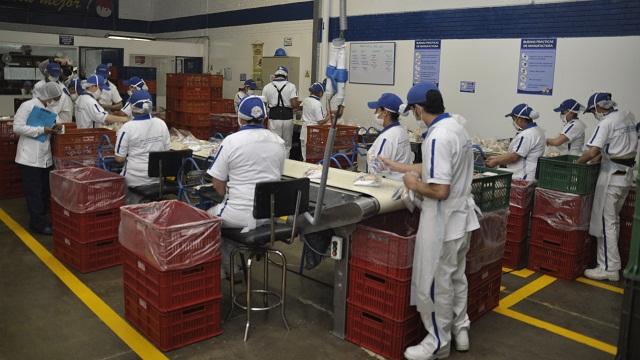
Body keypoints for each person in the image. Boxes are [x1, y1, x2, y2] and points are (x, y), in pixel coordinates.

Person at [381, 83, 479, 360]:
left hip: (443, 222)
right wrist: (402, 168)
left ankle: (437, 342)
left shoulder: (436, 137)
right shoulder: (456, 127)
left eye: (413, 109)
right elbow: (439, 166)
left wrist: (411, 182)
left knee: (436, 283)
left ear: (419, 108)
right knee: (456, 277)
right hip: (462, 220)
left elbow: (439, 189)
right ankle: (460, 329)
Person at [207, 95, 286, 275]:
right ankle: (235, 263)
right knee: (229, 225)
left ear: (240, 118)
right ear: (264, 117)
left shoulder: (231, 142)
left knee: (205, 220)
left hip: (238, 215)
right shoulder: (279, 143)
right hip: (269, 216)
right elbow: (276, 177)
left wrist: (229, 195)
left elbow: (217, 183)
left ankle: (226, 270)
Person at [577, 92, 637, 282]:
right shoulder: (627, 115)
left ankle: (608, 268)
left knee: (606, 224)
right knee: (613, 222)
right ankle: (611, 264)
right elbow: (614, 148)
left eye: (593, 110)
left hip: (611, 178)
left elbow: (593, 150)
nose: (594, 114)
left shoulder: (606, 123)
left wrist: (577, 164)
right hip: (625, 177)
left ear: (599, 107)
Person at [13, 82, 63, 235]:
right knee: (33, 192)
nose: (55, 101)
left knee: (44, 190)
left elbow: (60, 123)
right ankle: (37, 225)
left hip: (44, 156)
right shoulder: (27, 106)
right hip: (28, 157)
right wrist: (41, 129)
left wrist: (57, 127)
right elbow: (17, 127)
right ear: (48, 96)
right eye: (55, 98)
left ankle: (42, 220)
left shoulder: (50, 109)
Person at [114, 90, 171, 203]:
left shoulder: (127, 128)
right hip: (157, 179)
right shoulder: (161, 124)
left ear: (132, 107)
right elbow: (166, 151)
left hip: (134, 180)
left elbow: (119, 158)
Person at [485, 104, 546, 181]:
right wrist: (497, 157)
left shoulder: (527, 134)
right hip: (529, 174)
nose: (513, 122)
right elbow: (517, 153)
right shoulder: (537, 130)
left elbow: (514, 157)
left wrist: (496, 161)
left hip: (523, 177)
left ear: (520, 119)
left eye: (514, 119)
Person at [366, 92, 414, 180]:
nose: (375, 113)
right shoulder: (401, 130)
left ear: (385, 113)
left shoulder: (387, 137)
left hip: (389, 185)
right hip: (401, 183)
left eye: (377, 110)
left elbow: (377, 168)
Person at [262, 66, 299, 158]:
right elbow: (294, 104)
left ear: (275, 76)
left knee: (274, 143)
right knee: (286, 145)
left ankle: (275, 164)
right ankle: (285, 166)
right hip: (287, 118)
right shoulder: (291, 86)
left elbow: (263, 104)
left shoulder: (267, 87)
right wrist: (296, 106)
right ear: (286, 76)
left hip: (274, 118)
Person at [300, 81, 330, 161]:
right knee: (312, 155)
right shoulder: (317, 103)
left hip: (304, 130)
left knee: (304, 154)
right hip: (312, 131)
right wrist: (329, 116)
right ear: (320, 93)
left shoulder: (305, 100)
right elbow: (320, 121)